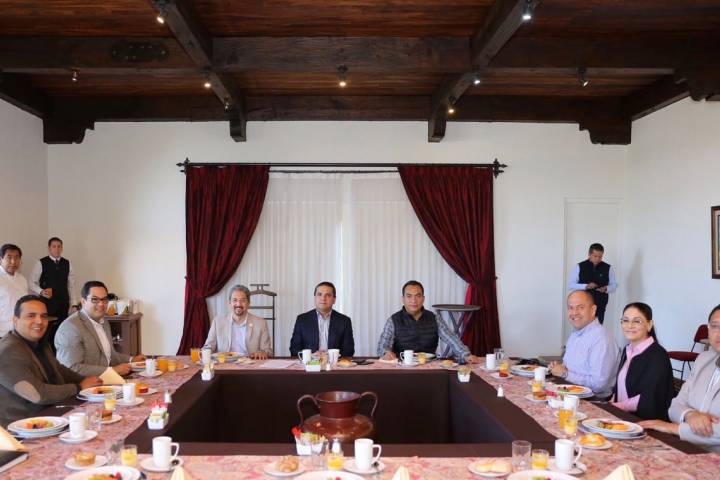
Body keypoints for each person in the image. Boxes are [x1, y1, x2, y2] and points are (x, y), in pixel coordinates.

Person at [0, 295, 101, 427]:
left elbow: (58, 369)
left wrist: (86, 380)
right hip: (22, 428)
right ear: (15, 320)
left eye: (43, 316)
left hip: (51, 415)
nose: (39, 321)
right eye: (31, 316)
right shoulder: (7, 351)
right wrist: (79, 387)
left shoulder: (39, 342)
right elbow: (37, 394)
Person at [640, 305, 720, 452]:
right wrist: (690, 414)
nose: (719, 334)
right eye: (715, 326)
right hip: (686, 448)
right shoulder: (703, 360)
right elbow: (675, 406)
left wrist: (674, 428)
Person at [377, 280, 480, 364]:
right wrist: (386, 353)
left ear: (423, 299)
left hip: (429, 366)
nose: (414, 300)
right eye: (409, 296)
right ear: (403, 299)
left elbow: (451, 338)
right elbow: (383, 345)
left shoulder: (434, 318)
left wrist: (465, 354)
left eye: (418, 296)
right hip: (402, 367)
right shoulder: (393, 320)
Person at [55, 280, 145, 377]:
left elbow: (109, 356)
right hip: (83, 384)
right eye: (95, 299)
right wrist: (113, 371)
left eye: (104, 299)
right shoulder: (70, 328)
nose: (101, 304)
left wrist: (132, 360)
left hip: (105, 381)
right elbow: (72, 368)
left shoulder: (104, 321)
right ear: (83, 301)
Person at [549, 290, 619, 399]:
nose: (574, 312)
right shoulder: (577, 333)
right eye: (570, 308)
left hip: (593, 400)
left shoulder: (601, 338)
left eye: (580, 307)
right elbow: (575, 367)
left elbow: (599, 385)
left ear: (593, 310)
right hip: (569, 393)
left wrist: (565, 374)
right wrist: (559, 368)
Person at [611, 302, 675, 420]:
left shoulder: (658, 355)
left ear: (649, 325)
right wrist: (611, 403)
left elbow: (649, 397)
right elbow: (620, 386)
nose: (630, 325)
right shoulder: (627, 349)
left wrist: (615, 407)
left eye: (637, 321)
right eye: (625, 320)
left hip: (643, 421)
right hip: (621, 415)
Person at [29, 237, 77, 348]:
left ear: (62, 248)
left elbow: (71, 285)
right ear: (49, 248)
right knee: (47, 332)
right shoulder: (41, 262)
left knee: (62, 331)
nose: (57, 249)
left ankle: (59, 355)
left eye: (59, 246)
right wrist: (41, 291)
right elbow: (31, 283)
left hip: (63, 304)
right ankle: (45, 353)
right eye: (54, 246)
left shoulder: (67, 263)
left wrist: (73, 304)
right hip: (47, 305)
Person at [203, 284, 272, 359]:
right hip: (225, 363)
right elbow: (208, 347)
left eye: (243, 300)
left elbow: (267, 350)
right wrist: (205, 352)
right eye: (235, 300)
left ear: (248, 303)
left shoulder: (261, 323)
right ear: (230, 303)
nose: (238, 304)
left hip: (250, 363)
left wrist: (263, 352)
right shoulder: (218, 322)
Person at [289, 281, 354, 358]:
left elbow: (349, 350)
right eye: (319, 294)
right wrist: (310, 356)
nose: (323, 298)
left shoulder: (344, 321)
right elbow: (294, 349)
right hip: (310, 363)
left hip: (334, 363)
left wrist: (331, 356)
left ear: (334, 299)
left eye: (328, 295)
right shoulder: (302, 320)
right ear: (315, 298)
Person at [567, 243, 617, 324]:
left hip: (600, 306)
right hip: (581, 306)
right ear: (589, 254)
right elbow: (571, 285)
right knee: (581, 328)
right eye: (595, 256)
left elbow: (614, 285)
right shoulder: (579, 266)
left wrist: (606, 289)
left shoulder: (608, 268)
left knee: (597, 329)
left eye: (600, 257)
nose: (597, 259)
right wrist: (586, 286)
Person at [0, 244, 29, 338]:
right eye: (9, 257)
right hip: (3, 333)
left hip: (21, 331)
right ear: (1, 259)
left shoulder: (22, 279)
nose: (13, 262)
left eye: (17, 258)